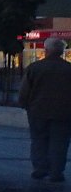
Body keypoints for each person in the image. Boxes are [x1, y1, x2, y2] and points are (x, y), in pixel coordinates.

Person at [18, 36, 71, 183]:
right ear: (61, 52)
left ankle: (40, 169)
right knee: (59, 143)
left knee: (38, 140)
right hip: (64, 113)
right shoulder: (68, 69)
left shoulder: (35, 68)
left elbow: (24, 91)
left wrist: (24, 104)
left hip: (38, 111)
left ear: (46, 50)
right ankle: (56, 172)